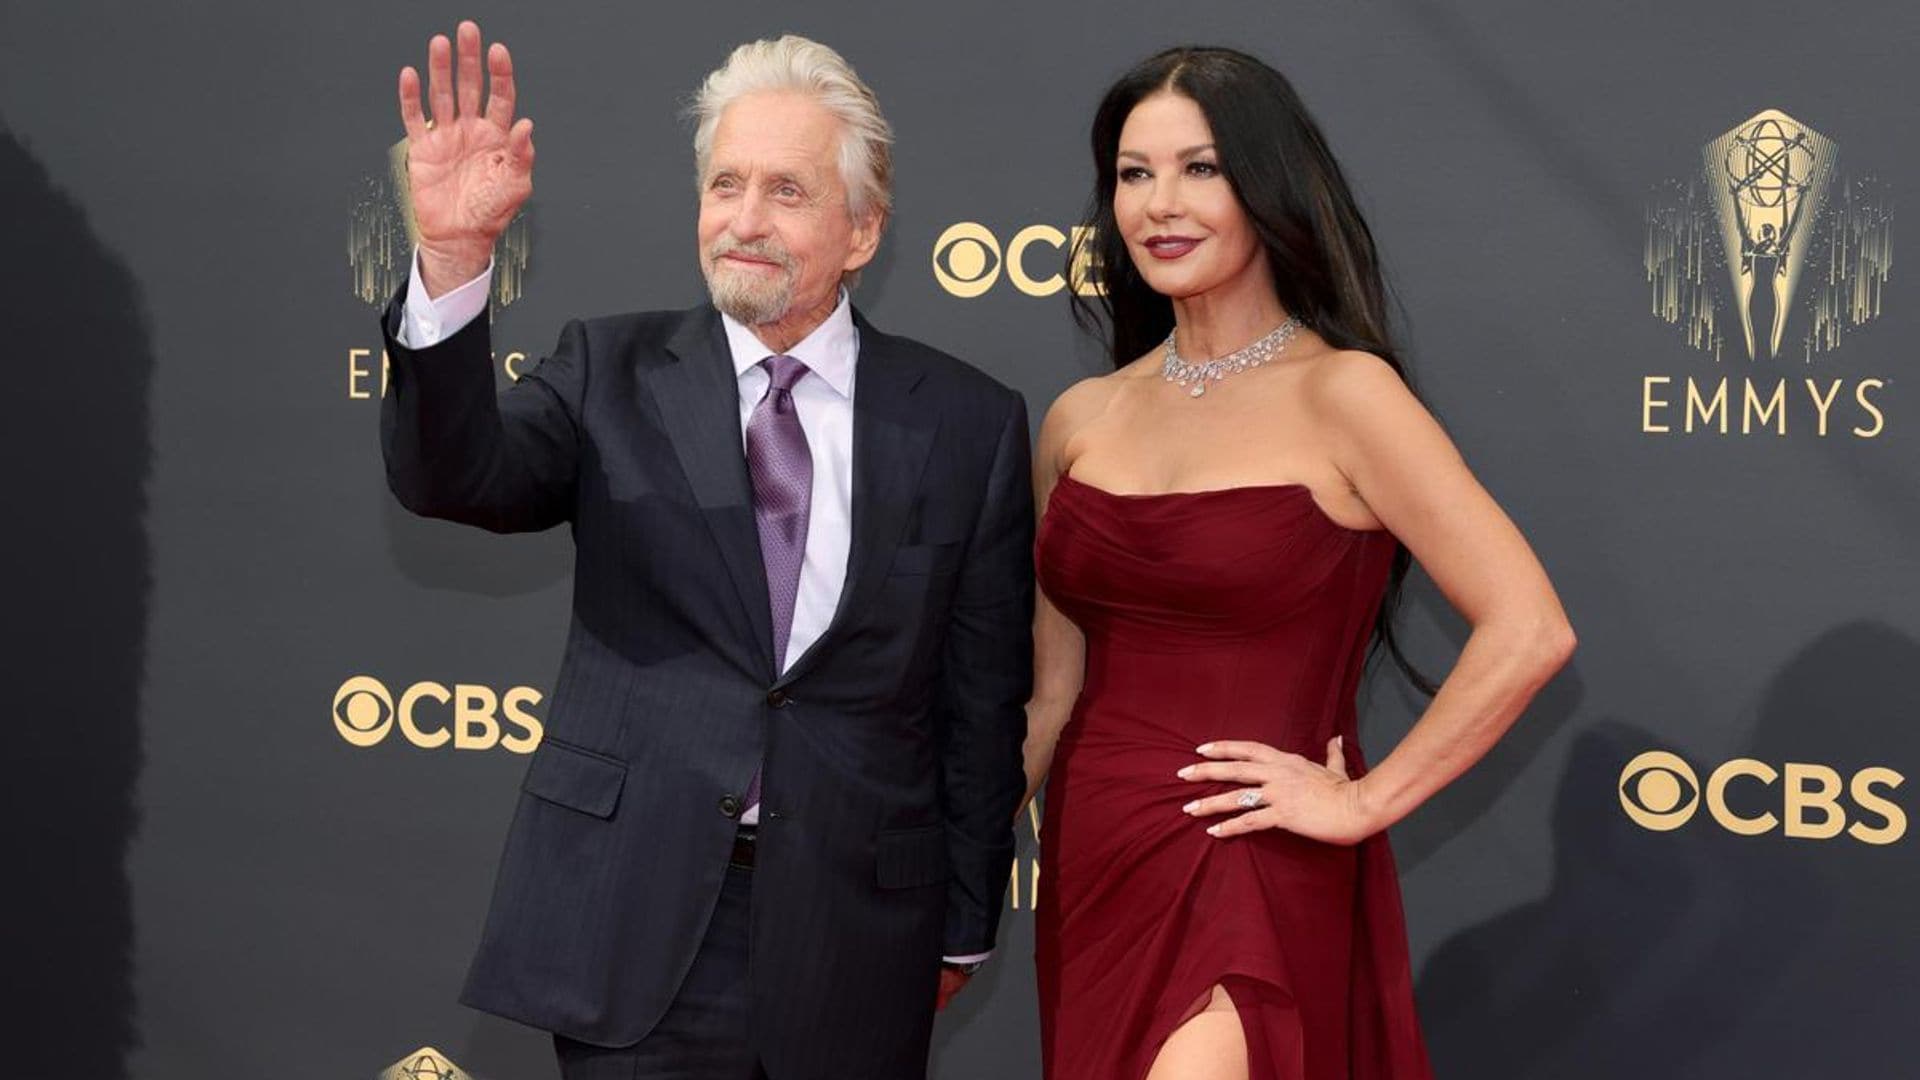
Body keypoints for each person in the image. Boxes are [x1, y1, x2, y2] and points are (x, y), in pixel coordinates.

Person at [380, 22, 1033, 1080]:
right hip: (636, 913)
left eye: (787, 190)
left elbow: (981, 695)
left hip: (857, 926)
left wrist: (964, 915)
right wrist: (455, 265)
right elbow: (454, 480)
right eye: (725, 184)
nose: (744, 219)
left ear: (862, 231)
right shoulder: (609, 369)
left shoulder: (966, 422)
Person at [1023, 47, 1576, 1080]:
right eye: (1134, 174)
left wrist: (1365, 804)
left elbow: (1530, 626)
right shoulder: (1079, 420)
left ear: (1267, 186)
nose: (1159, 204)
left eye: (1201, 168)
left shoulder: (1347, 397)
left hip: (1251, 854)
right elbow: (1051, 696)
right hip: (1099, 858)